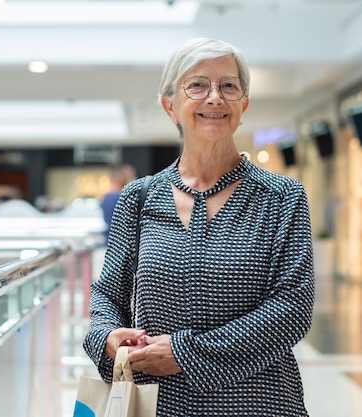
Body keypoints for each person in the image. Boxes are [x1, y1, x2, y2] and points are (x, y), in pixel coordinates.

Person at [83, 38, 314, 416]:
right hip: (161, 402)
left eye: (229, 86)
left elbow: (293, 308)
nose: (214, 98)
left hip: (260, 401)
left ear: (243, 104)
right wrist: (106, 335)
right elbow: (107, 293)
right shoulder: (138, 198)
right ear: (169, 105)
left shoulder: (282, 197)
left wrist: (184, 353)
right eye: (197, 85)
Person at [100, 164, 135, 246]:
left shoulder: (105, 197)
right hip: (119, 243)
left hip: (109, 241)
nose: (128, 178)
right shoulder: (119, 197)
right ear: (119, 177)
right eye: (125, 175)